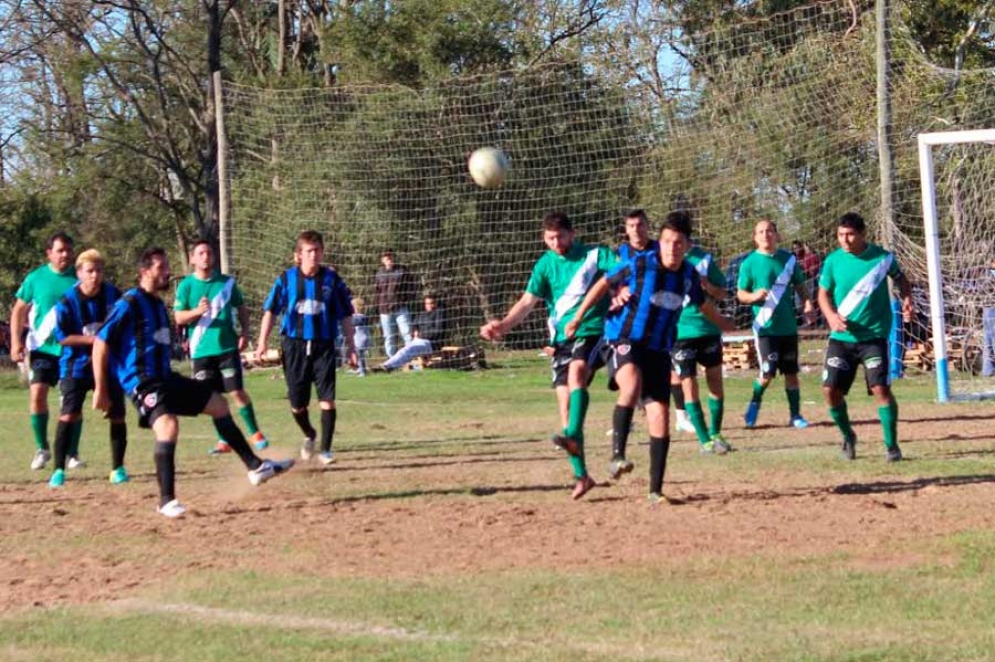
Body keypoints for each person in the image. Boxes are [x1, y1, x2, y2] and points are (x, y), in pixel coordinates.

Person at [93, 248, 294, 518]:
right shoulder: (129, 302)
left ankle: (256, 467)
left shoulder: (158, 306)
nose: (167, 272)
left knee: (218, 404)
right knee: (167, 425)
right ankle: (166, 501)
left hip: (165, 378)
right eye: (161, 267)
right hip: (142, 382)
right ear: (144, 272)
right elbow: (100, 342)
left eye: (167, 266)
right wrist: (101, 389)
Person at [566, 211, 733, 503]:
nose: (671, 248)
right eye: (667, 241)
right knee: (631, 383)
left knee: (660, 416)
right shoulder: (641, 263)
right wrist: (578, 317)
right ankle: (617, 456)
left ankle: (655, 491)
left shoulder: (688, 275)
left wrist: (723, 323)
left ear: (687, 246)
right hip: (624, 339)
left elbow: (702, 303)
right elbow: (604, 283)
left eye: (678, 243)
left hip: (659, 349)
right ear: (661, 242)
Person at [480, 212, 615, 499]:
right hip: (561, 339)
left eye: (561, 237)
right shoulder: (544, 264)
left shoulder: (594, 255)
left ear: (572, 234)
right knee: (565, 406)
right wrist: (503, 325)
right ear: (544, 238)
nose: (557, 243)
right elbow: (527, 301)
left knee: (577, 375)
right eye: (551, 238)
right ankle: (582, 476)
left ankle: (571, 437)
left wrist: (622, 290)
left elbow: (621, 269)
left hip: (592, 330)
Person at [256, 230, 358, 465]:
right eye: (309, 251)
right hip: (294, 346)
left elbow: (345, 315)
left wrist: (351, 347)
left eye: (317, 250)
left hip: (324, 345)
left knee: (327, 399)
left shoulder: (332, 280)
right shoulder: (286, 279)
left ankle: (325, 451)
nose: (314, 255)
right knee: (297, 404)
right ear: (299, 255)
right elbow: (270, 311)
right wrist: (262, 342)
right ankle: (309, 434)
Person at [818, 212, 913, 461]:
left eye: (850, 234)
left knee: (880, 388)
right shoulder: (833, 261)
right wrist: (831, 316)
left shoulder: (883, 258)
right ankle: (848, 436)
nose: (844, 240)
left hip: (874, 337)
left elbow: (902, 280)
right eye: (840, 235)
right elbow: (823, 294)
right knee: (830, 390)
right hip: (842, 338)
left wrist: (907, 298)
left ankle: (892, 446)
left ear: (862, 234)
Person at [174, 240, 270, 454]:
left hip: (226, 348)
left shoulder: (227, 283)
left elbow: (241, 307)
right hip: (201, 351)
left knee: (236, 391)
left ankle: (255, 432)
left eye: (209, 252)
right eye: (200, 253)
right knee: (212, 398)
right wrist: (197, 312)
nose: (205, 256)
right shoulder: (186, 286)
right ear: (192, 259)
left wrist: (245, 332)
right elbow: (179, 317)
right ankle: (224, 440)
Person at [49, 249, 129, 488]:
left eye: (99, 271)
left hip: (109, 365)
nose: (95, 275)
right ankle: (58, 470)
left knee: (117, 415)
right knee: (69, 415)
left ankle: (117, 468)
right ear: (79, 273)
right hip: (75, 366)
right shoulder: (67, 301)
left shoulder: (114, 295)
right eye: (90, 271)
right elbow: (62, 337)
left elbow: (124, 325)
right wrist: (95, 340)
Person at [737, 219, 815, 429]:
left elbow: (801, 286)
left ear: (777, 235)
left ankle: (795, 415)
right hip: (765, 328)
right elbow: (741, 294)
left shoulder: (788, 260)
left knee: (791, 373)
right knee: (767, 374)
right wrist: (753, 296)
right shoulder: (749, 263)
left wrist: (808, 305)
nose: (766, 235)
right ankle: (754, 404)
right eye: (761, 232)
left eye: (770, 231)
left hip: (788, 327)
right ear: (755, 237)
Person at [10, 231, 78, 471]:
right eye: (60, 250)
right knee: (37, 393)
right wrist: (15, 342)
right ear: (49, 253)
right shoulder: (35, 278)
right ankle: (42, 448)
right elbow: (18, 310)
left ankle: (71, 453)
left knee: (71, 400)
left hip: (71, 348)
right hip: (42, 348)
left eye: (68, 250)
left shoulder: (80, 277)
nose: (65, 255)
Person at [671, 229, 732, 454]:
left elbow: (724, 294)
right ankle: (704, 440)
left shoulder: (704, 259)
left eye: (680, 239)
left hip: (708, 329)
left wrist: (709, 286)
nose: (676, 245)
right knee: (689, 384)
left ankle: (715, 433)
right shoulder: (666, 262)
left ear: (688, 239)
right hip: (680, 334)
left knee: (715, 381)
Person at [378, 294, 446, 371]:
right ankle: (386, 366)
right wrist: (414, 331)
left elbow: (437, 331)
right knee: (403, 350)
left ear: (436, 303)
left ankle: (388, 366)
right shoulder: (422, 314)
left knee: (409, 350)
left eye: (432, 303)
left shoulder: (440, 313)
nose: (429, 306)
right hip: (417, 340)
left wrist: (420, 335)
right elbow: (414, 325)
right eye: (427, 304)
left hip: (430, 343)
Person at [374, 249, 416, 358]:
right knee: (389, 336)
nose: (388, 258)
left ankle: (410, 358)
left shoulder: (402, 270)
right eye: (386, 256)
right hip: (384, 310)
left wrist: (404, 300)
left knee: (407, 333)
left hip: (400, 308)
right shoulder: (379, 273)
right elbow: (377, 291)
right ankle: (392, 360)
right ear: (382, 259)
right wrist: (377, 307)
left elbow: (411, 287)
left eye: (390, 256)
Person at [347, 297, 371, 376]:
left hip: (361, 340)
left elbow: (353, 323)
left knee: (360, 356)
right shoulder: (358, 317)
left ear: (356, 307)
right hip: (358, 340)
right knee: (358, 356)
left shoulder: (360, 317)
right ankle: (360, 369)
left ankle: (363, 371)